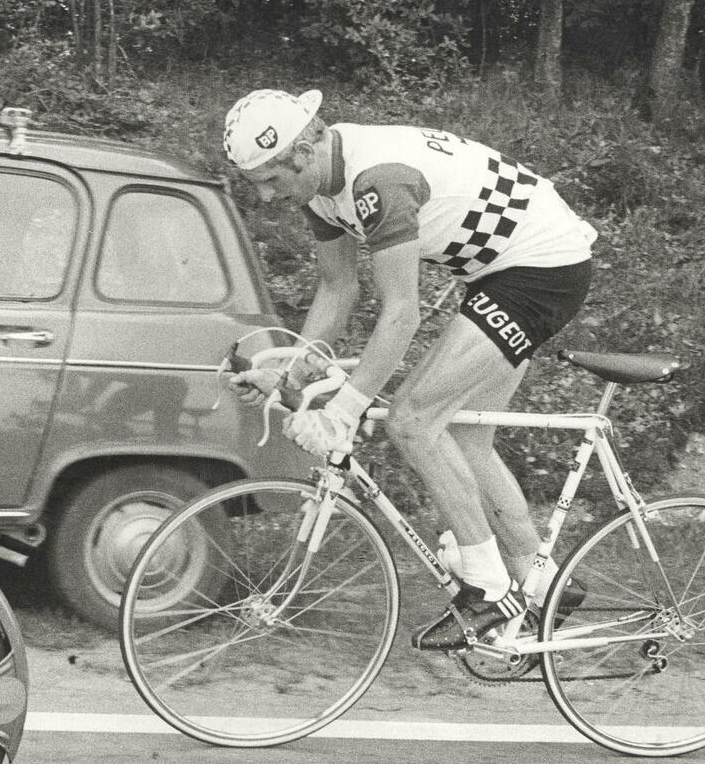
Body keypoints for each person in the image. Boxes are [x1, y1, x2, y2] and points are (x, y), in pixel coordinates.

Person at [220, 89, 591, 650]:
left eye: (272, 180)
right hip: (500, 272)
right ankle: (542, 584)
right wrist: (292, 374)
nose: (269, 197)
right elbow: (337, 288)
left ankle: (487, 590)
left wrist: (344, 411)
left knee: (413, 420)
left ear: (301, 151)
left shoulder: (378, 181)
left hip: (542, 268)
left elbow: (401, 313)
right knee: (464, 435)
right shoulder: (321, 186)